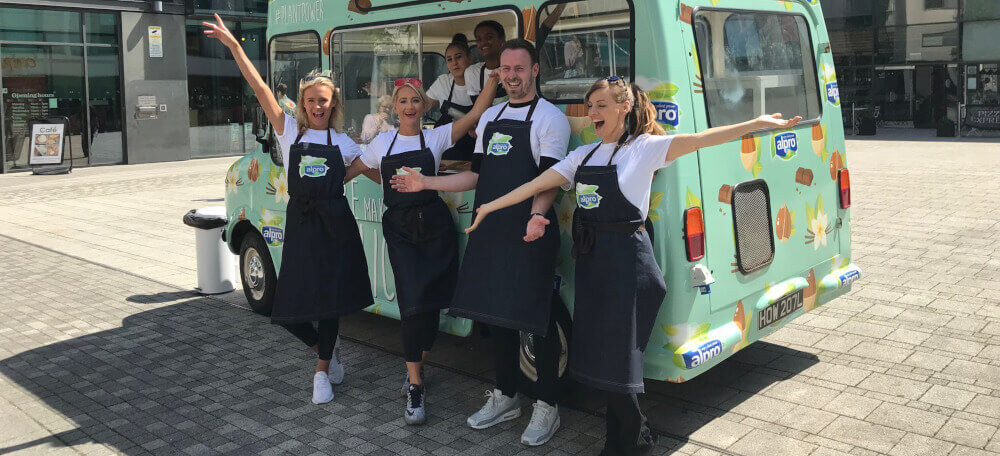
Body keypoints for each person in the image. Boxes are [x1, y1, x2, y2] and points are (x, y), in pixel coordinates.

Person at [464, 76, 802, 455]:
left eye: (601, 105)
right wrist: (491, 207)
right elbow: (535, 184)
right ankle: (634, 434)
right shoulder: (584, 156)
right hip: (594, 265)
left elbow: (703, 138)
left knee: (620, 360)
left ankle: (624, 443)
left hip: (629, 263)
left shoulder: (645, 149)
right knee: (601, 358)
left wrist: (756, 123)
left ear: (624, 108)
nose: (593, 112)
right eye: (590, 106)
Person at [391, 39, 569, 447]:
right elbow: (477, 177)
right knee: (496, 315)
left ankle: (547, 404)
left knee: (534, 318)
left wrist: (539, 215)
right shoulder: (490, 117)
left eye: (519, 69)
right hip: (490, 228)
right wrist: (427, 182)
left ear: (535, 71)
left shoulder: (550, 119)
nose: (511, 76)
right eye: (505, 69)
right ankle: (506, 394)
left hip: (530, 229)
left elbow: (550, 179)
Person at [203, 14, 373, 405]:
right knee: (288, 308)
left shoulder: (343, 141)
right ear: (302, 103)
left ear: (333, 104)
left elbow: (366, 166)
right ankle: (323, 351)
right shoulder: (289, 131)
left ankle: (321, 373)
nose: (317, 105)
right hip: (301, 223)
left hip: (335, 224)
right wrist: (234, 46)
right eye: (310, 100)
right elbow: (260, 87)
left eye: (323, 100)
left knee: (330, 301)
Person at [344, 73, 499, 425]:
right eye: (403, 101)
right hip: (400, 230)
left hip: (435, 226)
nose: (410, 106)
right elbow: (353, 170)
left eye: (415, 100)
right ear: (395, 107)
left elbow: (475, 115)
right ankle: (415, 384)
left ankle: (418, 369)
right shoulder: (382, 143)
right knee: (412, 305)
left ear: (423, 106)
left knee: (430, 304)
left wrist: (492, 78)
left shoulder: (436, 136)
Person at [425, 33, 476, 160]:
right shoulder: (443, 82)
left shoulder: (482, 81)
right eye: (449, 59)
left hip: (476, 148)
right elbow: (424, 106)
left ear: (470, 58)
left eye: (459, 57)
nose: (454, 63)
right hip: (446, 152)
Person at [464, 21, 508, 104]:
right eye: (479, 39)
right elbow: (476, 109)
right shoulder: (472, 72)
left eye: (489, 37)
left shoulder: (514, 69)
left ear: (502, 39)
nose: (483, 42)